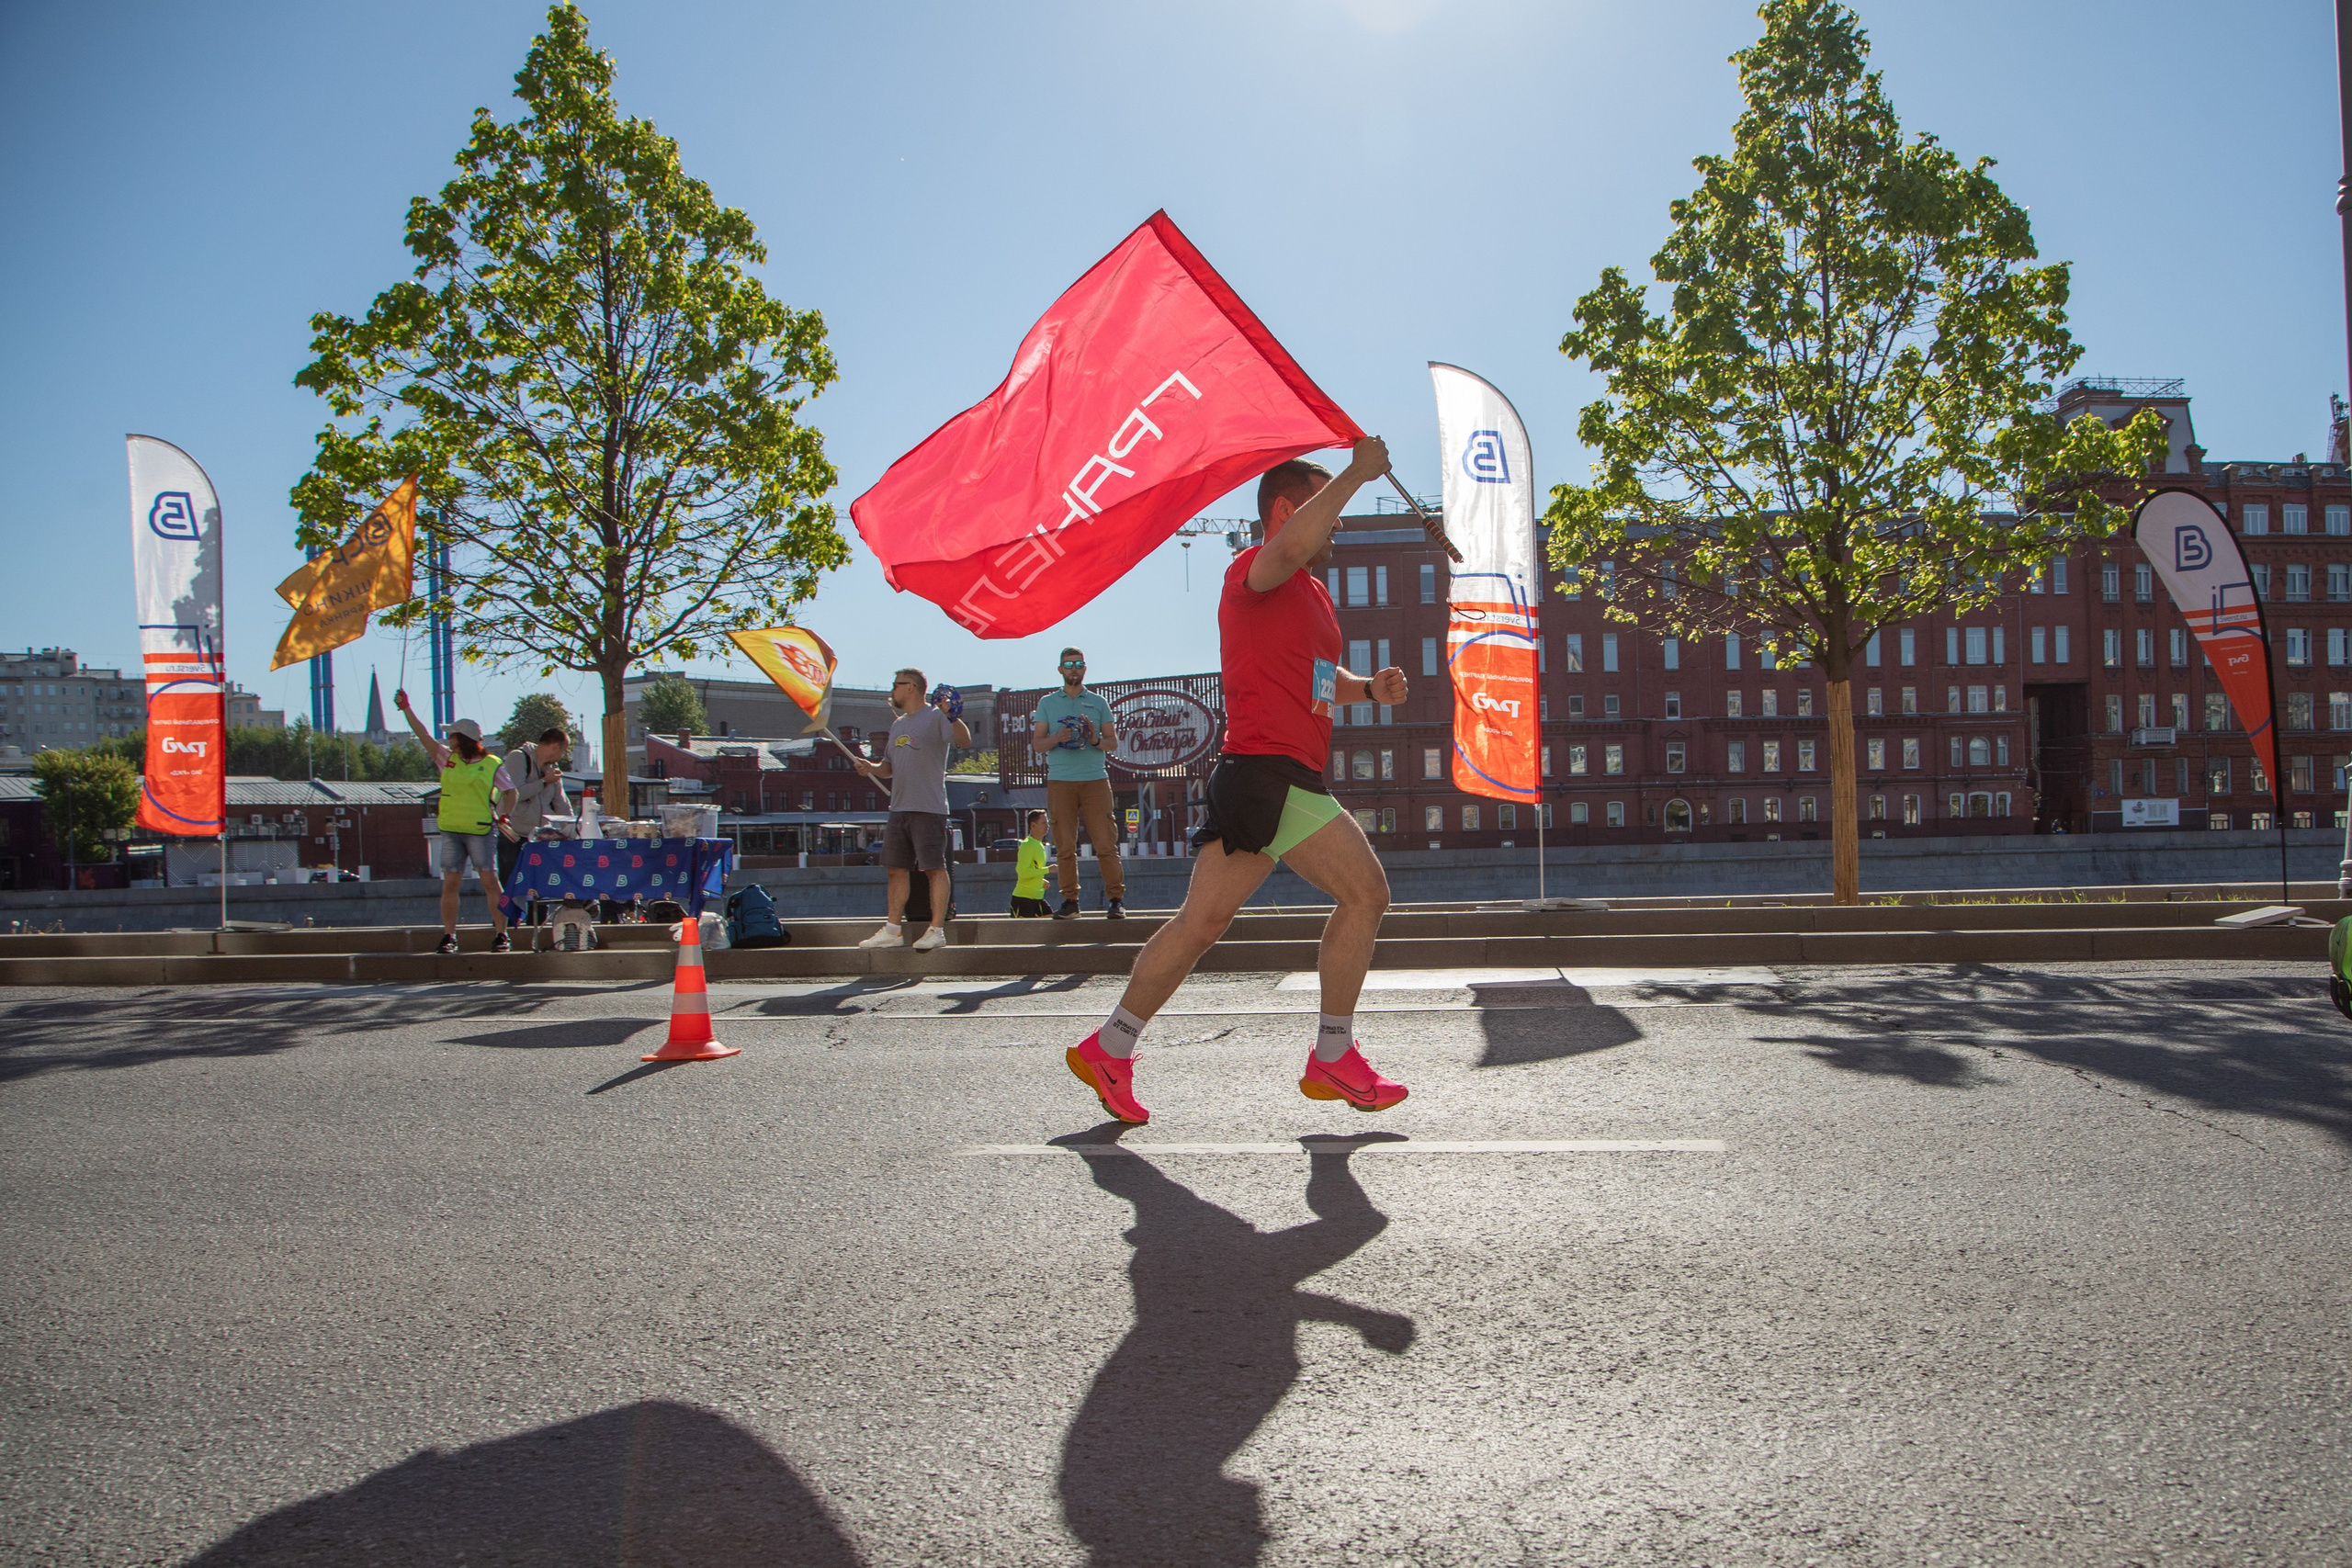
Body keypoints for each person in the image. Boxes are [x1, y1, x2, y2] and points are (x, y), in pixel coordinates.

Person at [1066, 438, 1409, 1124]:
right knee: (1367, 891)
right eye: (1324, 505)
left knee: (1201, 924)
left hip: (1262, 776)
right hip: (1271, 771)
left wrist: (1367, 688)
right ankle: (1332, 1055)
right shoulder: (1253, 568)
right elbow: (1283, 551)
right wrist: (1355, 473)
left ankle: (1109, 1046)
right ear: (1285, 509)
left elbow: (1317, 681)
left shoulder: (1313, 597)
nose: (1337, 522)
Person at [851, 668, 970, 952]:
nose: (892, 691)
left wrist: (953, 715)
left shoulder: (936, 716)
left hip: (929, 808)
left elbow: (964, 741)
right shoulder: (898, 725)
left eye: (896, 685)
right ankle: (893, 930)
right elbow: (888, 768)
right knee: (895, 869)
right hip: (899, 808)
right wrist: (871, 768)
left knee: (934, 869)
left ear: (911, 688)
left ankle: (937, 929)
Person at [395, 689, 513, 955]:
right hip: (451, 829)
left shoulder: (493, 763)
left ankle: (501, 935)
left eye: (452, 735)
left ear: (463, 739)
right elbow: (423, 734)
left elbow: (511, 791)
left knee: (490, 883)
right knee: (451, 884)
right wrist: (406, 709)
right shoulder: (447, 758)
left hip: (481, 830)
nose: (448, 738)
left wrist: (504, 814)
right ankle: (449, 936)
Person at [1030, 648, 1125, 920]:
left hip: (1095, 779)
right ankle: (1070, 902)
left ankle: (1116, 900)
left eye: (1079, 664)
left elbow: (1112, 742)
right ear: (1060, 669)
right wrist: (1058, 737)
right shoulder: (1048, 702)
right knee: (1064, 846)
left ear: (1085, 669)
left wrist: (1094, 739)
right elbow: (1038, 745)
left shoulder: (1098, 702)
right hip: (1060, 781)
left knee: (1105, 843)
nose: (1074, 668)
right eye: (1068, 664)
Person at [494, 727, 573, 919]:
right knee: (511, 883)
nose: (561, 756)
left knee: (541, 885)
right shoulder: (518, 758)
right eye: (562, 751)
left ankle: (537, 925)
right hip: (514, 835)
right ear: (554, 747)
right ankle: (508, 928)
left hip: (540, 839)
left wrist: (573, 830)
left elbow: (561, 804)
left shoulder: (552, 771)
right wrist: (544, 781)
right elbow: (516, 792)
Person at [1011, 808, 1051, 917]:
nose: (1047, 826)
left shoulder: (1040, 845)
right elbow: (1022, 872)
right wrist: (1048, 870)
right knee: (1023, 933)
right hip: (1023, 898)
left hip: (1037, 897)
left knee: (1050, 918)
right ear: (1033, 825)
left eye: (1047, 822)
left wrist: (1040, 879)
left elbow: (1034, 868)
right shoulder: (1027, 845)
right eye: (1043, 823)